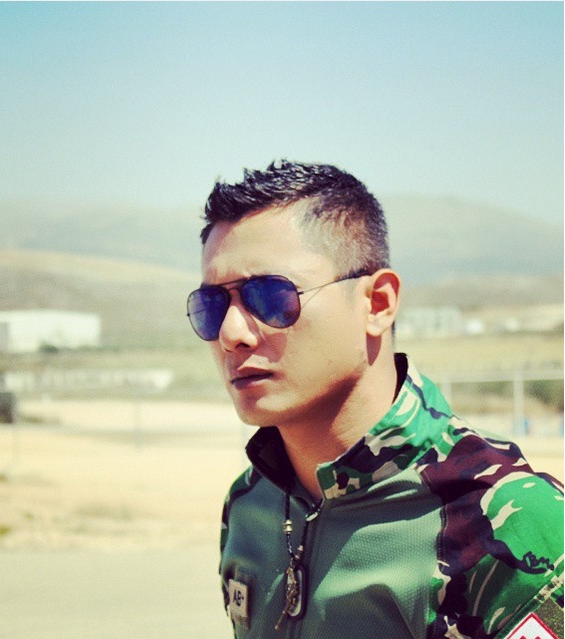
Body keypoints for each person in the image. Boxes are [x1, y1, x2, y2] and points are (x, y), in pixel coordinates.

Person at [185, 160, 564, 638]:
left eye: (270, 297)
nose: (231, 334)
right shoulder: (250, 504)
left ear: (377, 303)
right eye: (212, 305)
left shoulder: (504, 517)